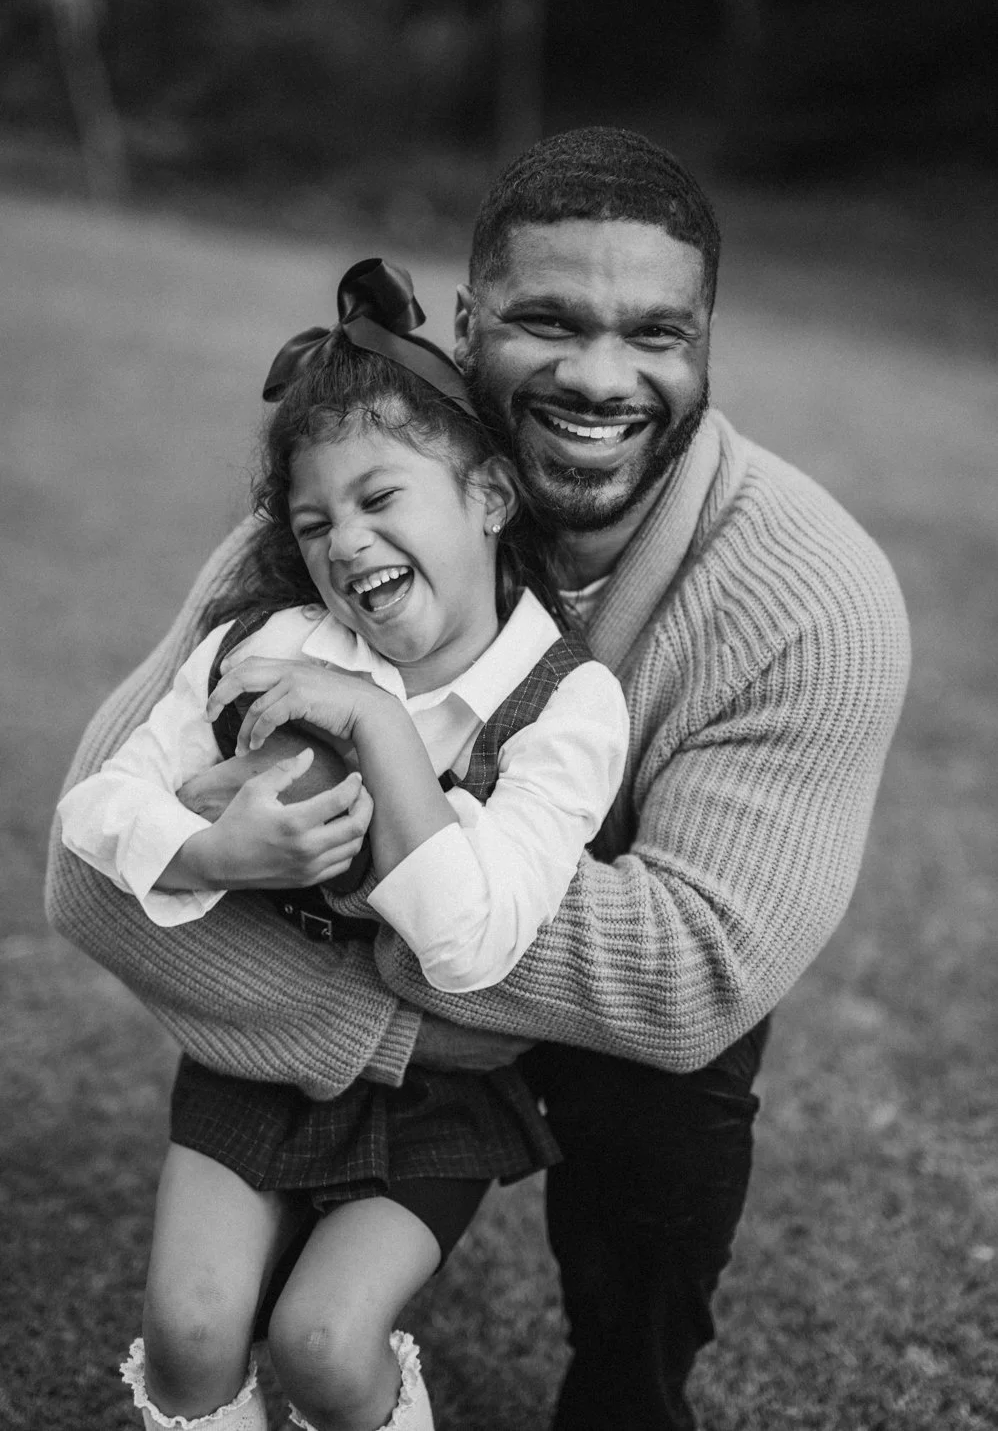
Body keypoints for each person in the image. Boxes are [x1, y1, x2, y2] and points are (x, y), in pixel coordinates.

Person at [46, 127, 911, 1431]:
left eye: (655, 335)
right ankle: (287, 1258)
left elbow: (690, 978)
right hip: (420, 987)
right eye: (546, 320)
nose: (598, 375)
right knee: (222, 1321)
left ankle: (625, 1392)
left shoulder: (812, 595)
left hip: (576, 984)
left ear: (708, 344)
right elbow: (87, 867)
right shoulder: (345, 511)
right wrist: (393, 1020)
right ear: (466, 324)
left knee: (683, 1079)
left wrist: (362, 879)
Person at [56, 258, 630, 1431]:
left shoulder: (566, 706)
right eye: (314, 521)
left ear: (487, 497)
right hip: (251, 1052)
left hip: (434, 1094)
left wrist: (368, 720)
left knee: (323, 1342)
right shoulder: (262, 640)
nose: (344, 543)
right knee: (190, 1328)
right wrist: (215, 854)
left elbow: (468, 945)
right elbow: (94, 809)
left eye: (381, 499)